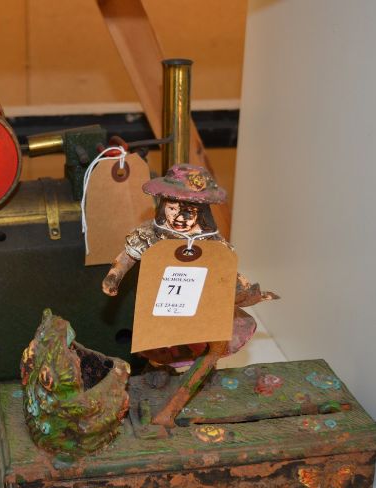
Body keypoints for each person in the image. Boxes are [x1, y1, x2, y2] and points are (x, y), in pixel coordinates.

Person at [100, 164, 278, 425]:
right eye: (173, 208)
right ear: (163, 205)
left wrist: (242, 287)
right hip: (162, 303)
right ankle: (157, 371)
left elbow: (227, 269)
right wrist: (114, 276)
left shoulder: (211, 242)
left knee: (202, 341)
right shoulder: (150, 235)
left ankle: (203, 374)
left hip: (200, 303)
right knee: (160, 343)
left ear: (202, 213)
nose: (180, 216)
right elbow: (128, 256)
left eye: (189, 211)